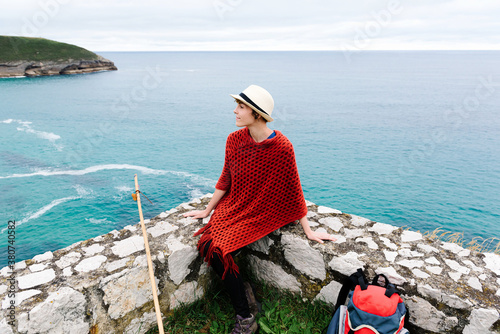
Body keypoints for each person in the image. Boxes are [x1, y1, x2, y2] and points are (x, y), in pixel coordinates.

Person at [183, 84, 336, 334]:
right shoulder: (234, 140)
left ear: (256, 113)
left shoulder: (282, 147)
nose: (235, 111)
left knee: (220, 250)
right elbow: (225, 180)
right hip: (234, 205)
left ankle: (244, 316)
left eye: (240, 107)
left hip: (263, 213)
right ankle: (245, 299)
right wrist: (206, 211)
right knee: (209, 244)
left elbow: (295, 191)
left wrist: (308, 231)